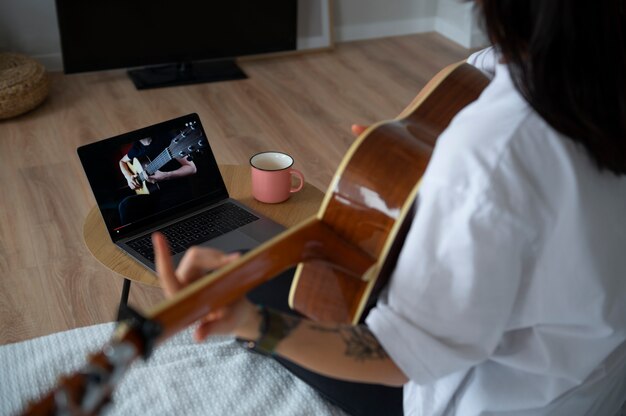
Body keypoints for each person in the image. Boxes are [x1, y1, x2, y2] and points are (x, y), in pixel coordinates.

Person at [153, 1, 626, 414]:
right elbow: (479, 70)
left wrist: (252, 323)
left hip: (492, 400)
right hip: (593, 383)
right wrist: (408, 146)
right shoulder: (593, 78)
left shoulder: (493, 152)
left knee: (271, 285)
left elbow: (399, 356)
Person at [119, 135, 197, 224]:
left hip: (174, 190)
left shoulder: (168, 140)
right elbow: (121, 162)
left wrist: (166, 175)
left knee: (160, 215)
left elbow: (192, 168)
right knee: (125, 205)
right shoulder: (137, 146)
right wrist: (128, 176)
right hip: (153, 193)